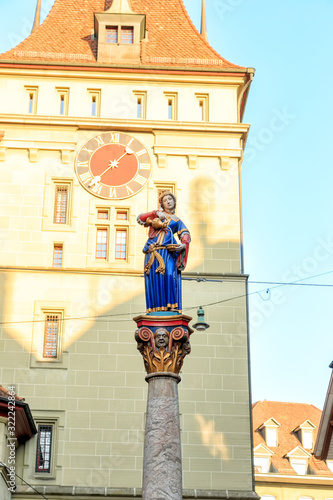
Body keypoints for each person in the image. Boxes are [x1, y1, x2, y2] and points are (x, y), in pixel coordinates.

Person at [137, 192, 190, 313]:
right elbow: (140, 218)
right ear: (162, 204)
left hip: (169, 251)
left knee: (170, 275)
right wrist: (154, 213)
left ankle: (172, 305)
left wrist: (184, 244)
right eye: (165, 200)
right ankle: (155, 308)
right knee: (155, 279)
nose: (168, 201)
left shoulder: (177, 220)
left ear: (174, 202)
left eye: (170, 199)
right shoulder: (156, 216)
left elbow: (185, 233)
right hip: (153, 251)